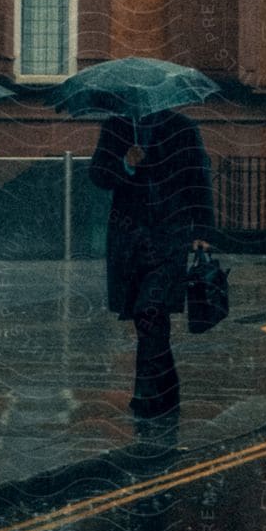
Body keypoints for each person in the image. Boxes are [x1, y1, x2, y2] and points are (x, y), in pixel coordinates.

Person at [90, 109, 214, 419]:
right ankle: (168, 389)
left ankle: (146, 394)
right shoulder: (117, 126)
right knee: (146, 315)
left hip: (170, 235)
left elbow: (198, 176)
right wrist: (124, 164)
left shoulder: (182, 127)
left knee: (150, 308)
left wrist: (202, 231)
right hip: (129, 240)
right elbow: (98, 175)